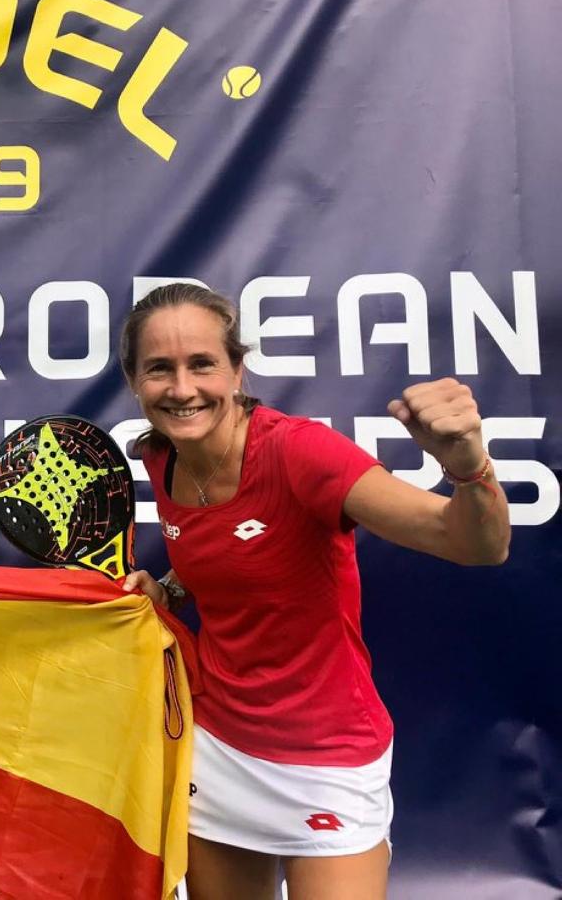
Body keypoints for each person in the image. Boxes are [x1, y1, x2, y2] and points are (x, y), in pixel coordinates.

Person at [118, 283, 509, 900]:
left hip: (329, 758)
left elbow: (474, 545)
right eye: (159, 368)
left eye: (202, 364)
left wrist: (468, 467)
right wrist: (169, 587)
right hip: (216, 745)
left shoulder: (300, 452)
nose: (182, 388)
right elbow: (224, 550)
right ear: (134, 381)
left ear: (237, 370)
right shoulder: (161, 458)